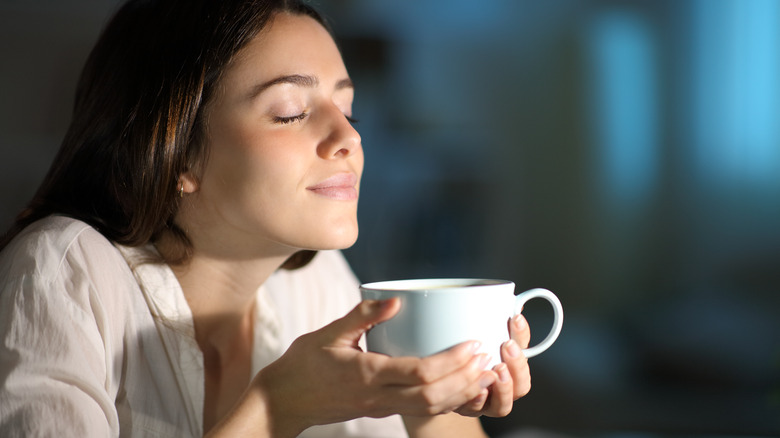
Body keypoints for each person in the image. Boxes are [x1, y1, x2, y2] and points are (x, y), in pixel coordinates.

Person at [0, 0, 533, 436]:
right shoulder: (62, 269)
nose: (350, 138)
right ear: (178, 154)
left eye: (349, 111)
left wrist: (428, 399)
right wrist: (276, 410)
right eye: (290, 113)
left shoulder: (317, 280)